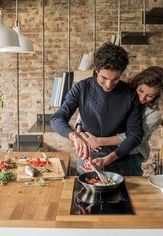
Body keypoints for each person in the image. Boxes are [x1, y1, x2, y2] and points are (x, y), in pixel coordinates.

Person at [50, 42, 143, 176]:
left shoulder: (129, 95)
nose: (109, 85)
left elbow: (135, 134)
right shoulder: (82, 88)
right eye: (103, 78)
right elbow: (57, 118)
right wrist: (75, 136)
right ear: (97, 70)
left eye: (115, 79)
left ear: (121, 73)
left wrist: (108, 159)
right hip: (89, 155)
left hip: (120, 156)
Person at [76, 66, 163, 175]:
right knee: (87, 175)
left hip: (131, 154)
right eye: (141, 91)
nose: (142, 98)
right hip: (102, 148)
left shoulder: (156, 114)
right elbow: (90, 109)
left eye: (149, 96)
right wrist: (79, 131)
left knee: (127, 187)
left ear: (158, 95)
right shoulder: (123, 92)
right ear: (137, 84)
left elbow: (133, 137)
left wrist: (98, 141)